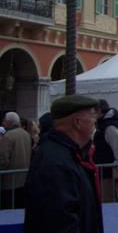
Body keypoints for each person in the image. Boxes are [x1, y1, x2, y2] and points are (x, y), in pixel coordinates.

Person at [24, 95, 103, 233]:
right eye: (92, 118)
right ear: (78, 122)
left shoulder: (66, 154)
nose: (94, 123)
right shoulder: (56, 163)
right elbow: (61, 221)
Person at [93, 99, 118, 203]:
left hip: (108, 170)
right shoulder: (103, 125)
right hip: (103, 169)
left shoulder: (109, 126)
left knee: (108, 199)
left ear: (99, 111)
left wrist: (117, 167)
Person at [0, 112, 32, 209]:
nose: (3, 123)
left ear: (9, 122)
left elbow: (2, 158)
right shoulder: (26, 134)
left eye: (4, 121)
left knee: (8, 210)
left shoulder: (8, 136)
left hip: (10, 182)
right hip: (24, 180)